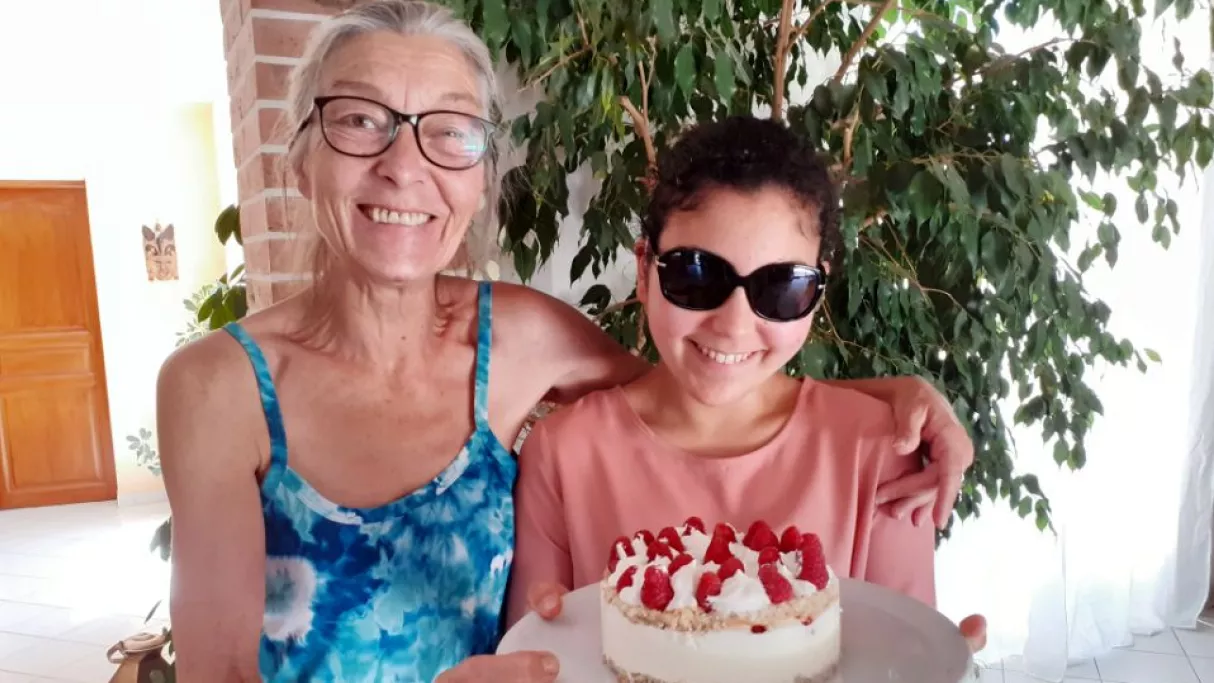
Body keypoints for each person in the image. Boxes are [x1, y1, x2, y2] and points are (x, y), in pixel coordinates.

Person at [155, 2, 976, 682]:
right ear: (300, 157)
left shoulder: (517, 337)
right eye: (360, 120)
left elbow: (701, 380)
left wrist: (889, 405)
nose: (404, 165)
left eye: (449, 131)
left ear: (481, 176)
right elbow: (214, 672)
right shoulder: (217, 387)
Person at [507, 115, 986, 650]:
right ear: (644, 270)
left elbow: (900, 656)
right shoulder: (563, 454)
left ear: (817, 294)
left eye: (782, 287)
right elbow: (536, 658)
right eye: (696, 274)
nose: (734, 325)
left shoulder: (881, 452)